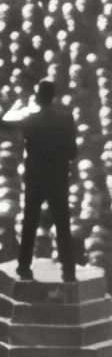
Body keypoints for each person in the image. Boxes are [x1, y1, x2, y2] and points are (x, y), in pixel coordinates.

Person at [0, 79, 77, 281]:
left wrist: (16, 105)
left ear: (37, 97)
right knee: (62, 225)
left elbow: (5, 122)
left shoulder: (30, 120)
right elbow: (72, 152)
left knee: (29, 224)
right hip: (58, 180)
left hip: (35, 179)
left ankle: (24, 267)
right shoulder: (66, 119)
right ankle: (69, 270)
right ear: (53, 96)